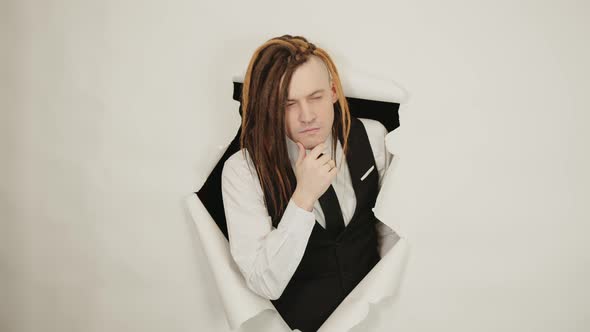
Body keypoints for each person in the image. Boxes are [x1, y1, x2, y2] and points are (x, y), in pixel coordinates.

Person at [221, 35, 400, 332]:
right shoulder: (243, 172)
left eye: (315, 97)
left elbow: (389, 232)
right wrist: (303, 198)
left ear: (332, 91)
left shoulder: (373, 137)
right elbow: (265, 283)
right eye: (288, 104)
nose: (307, 116)